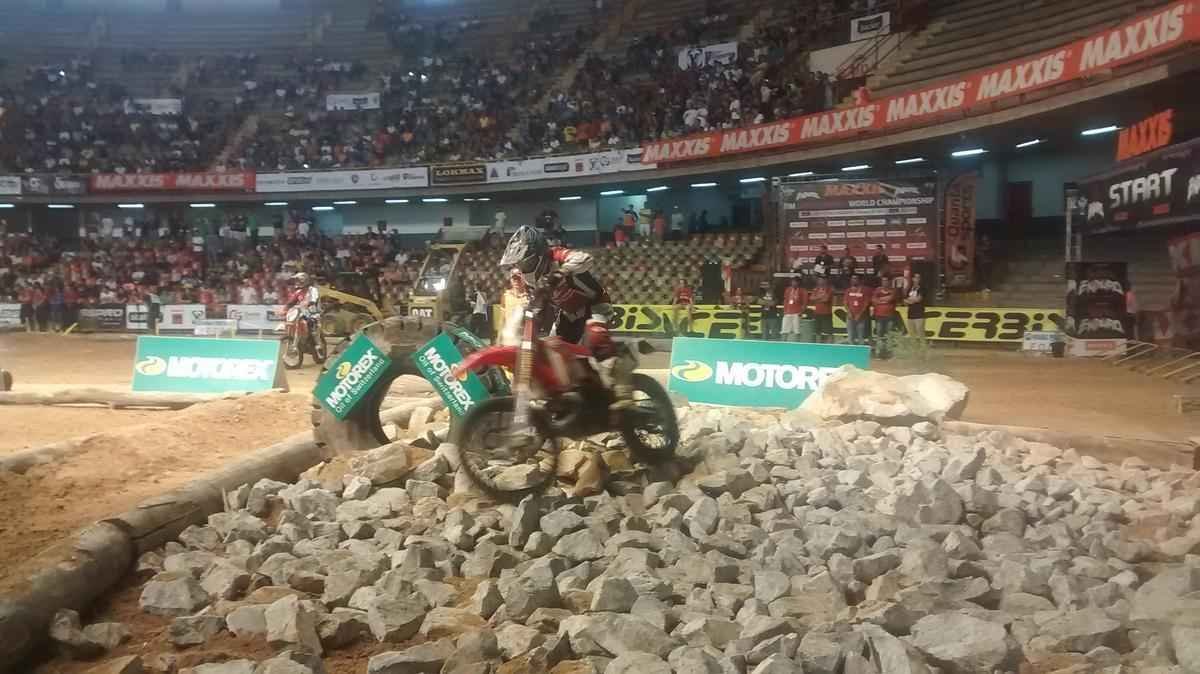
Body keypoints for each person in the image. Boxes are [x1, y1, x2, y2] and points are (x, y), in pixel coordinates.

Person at [499, 226, 632, 409]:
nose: (523, 269)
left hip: (594, 304)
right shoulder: (531, 281)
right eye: (520, 265)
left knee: (596, 338)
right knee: (554, 349)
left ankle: (624, 394)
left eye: (526, 263)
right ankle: (579, 395)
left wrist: (561, 272)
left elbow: (585, 258)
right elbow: (534, 306)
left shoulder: (555, 255)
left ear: (538, 255)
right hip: (569, 314)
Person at [872, 274, 899, 357]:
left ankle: (888, 351)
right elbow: (873, 299)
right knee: (879, 334)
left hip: (889, 315)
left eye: (886, 281)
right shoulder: (877, 289)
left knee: (888, 334)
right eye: (883, 281)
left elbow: (891, 298)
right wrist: (883, 300)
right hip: (879, 315)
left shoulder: (893, 290)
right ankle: (879, 351)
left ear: (889, 282)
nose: (884, 282)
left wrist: (880, 300)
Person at [844, 275, 870, 345]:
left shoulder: (864, 291)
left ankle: (860, 353)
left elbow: (866, 304)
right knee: (850, 336)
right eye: (852, 278)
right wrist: (849, 313)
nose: (853, 280)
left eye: (855, 278)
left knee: (860, 337)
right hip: (850, 317)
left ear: (859, 280)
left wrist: (859, 314)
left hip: (861, 318)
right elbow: (845, 303)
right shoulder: (848, 290)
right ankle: (851, 352)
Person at [781, 276, 808, 342]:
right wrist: (785, 310)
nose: (793, 283)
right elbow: (785, 300)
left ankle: (797, 344)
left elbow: (805, 302)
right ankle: (783, 343)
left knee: (797, 330)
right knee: (784, 329)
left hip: (797, 313)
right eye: (792, 281)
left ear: (799, 282)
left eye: (795, 281)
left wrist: (801, 312)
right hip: (788, 312)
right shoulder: (788, 289)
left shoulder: (803, 291)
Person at [904, 272, 926, 342]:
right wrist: (911, 300)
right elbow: (904, 301)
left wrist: (910, 300)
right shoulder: (910, 288)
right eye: (916, 277)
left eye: (919, 278)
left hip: (919, 314)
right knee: (912, 334)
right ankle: (914, 349)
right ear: (913, 279)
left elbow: (918, 299)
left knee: (920, 334)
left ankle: (923, 349)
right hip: (910, 314)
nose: (917, 279)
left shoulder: (922, 288)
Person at [811, 277, 833, 342]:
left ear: (825, 280)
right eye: (819, 280)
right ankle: (818, 344)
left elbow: (826, 300)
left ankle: (830, 345)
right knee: (817, 330)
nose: (820, 281)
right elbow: (811, 298)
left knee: (829, 331)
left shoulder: (829, 289)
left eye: (822, 280)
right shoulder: (816, 289)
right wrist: (820, 296)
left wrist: (817, 298)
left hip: (826, 313)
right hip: (817, 312)